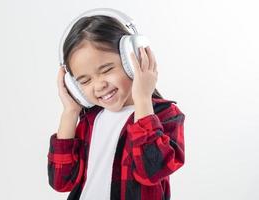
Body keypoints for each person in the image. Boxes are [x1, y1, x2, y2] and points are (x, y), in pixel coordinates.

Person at [47, 14, 185, 200]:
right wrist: (70, 112)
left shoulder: (165, 115)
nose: (98, 85)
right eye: (85, 80)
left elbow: (152, 170)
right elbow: (61, 182)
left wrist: (143, 100)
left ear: (133, 58)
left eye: (106, 70)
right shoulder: (90, 119)